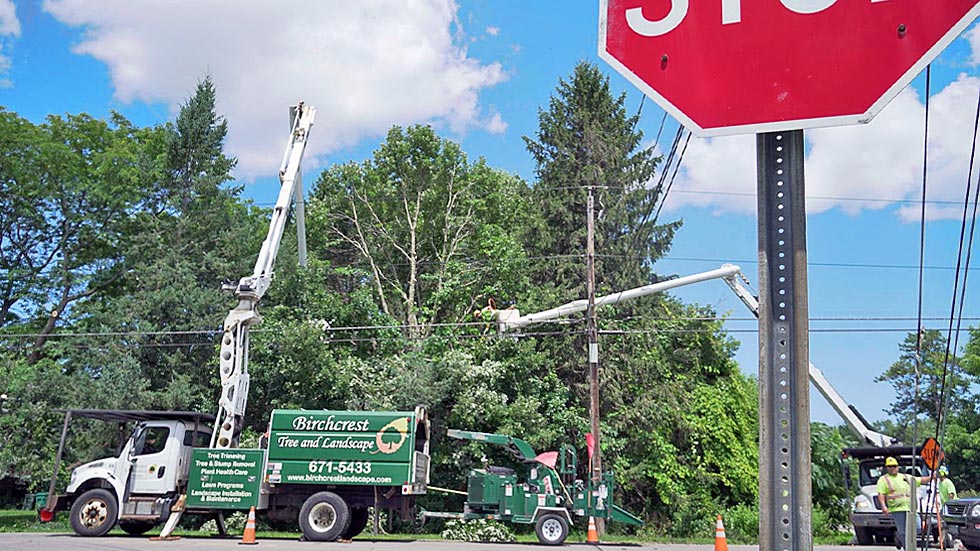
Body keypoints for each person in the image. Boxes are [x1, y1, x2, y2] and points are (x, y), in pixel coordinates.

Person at [877, 457, 933, 550]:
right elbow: (881, 494)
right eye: (890, 466)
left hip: (910, 508)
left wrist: (932, 477)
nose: (892, 468)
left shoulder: (906, 477)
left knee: (918, 528)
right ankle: (907, 548)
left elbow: (921, 480)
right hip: (897, 509)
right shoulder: (883, 479)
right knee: (903, 532)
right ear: (887, 468)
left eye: (894, 466)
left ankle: (899, 538)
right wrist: (883, 506)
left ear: (898, 467)